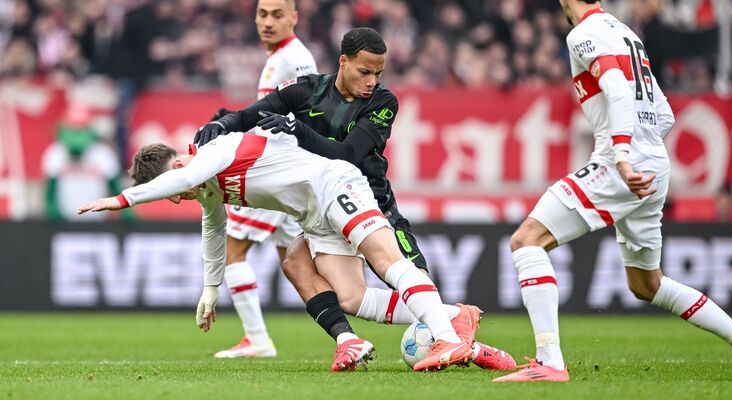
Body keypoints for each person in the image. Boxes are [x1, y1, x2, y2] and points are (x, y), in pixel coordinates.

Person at [493, 0, 732, 382]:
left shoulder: (584, 33)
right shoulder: (625, 32)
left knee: (526, 241)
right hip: (653, 163)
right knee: (647, 284)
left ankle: (549, 362)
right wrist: (643, 149)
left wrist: (623, 155)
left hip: (621, 164)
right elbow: (664, 114)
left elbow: (615, 87)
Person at [194, 27, 515, 371]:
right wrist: (223, 124)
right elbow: (250, 115)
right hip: (324, 207)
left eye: (379, 73)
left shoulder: (383, 103)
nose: (372, 81)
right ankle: (444, 325)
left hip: (372, 204)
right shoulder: (305, 90)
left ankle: (463, 341)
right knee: (334, 288)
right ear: (343, 62)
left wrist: (299, 131)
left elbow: (347, 154)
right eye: (365, 72)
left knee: (407, 278)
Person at [77, 131, 478, 373]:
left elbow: (189, 179)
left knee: (387, 262)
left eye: (176, 190)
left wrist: (122, 199)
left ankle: (446, 338)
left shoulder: (215, 152)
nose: (181, 197)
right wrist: (211, 290)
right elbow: (213, 229)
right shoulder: (207, 185)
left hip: (335, 185)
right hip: (314, 216)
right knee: (351, 298)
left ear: (179, 165)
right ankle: (453, 317)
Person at [211, 0, 317, 360]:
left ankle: (257, 339)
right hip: (285, 170)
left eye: (277, 14)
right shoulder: (280, 56)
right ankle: (348, 333)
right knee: (299, 267)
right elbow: (275, 112)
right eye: (262, 14)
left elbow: (308, 110)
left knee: (232, 251)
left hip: (270, 170)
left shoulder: (295, 58)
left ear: (294, 18)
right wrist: (237, 121)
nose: (268, 22)